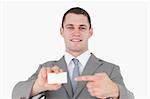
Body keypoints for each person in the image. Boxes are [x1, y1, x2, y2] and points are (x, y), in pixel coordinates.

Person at [12, 7, 134, 99]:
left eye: (82, 27)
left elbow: (130, 97)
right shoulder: (47, 69)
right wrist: (37, 86)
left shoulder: (110, 69)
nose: (76, 33)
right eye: (70, 27)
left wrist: (116, 91)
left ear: (90, 32)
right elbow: (16, 93)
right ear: (62, 31)